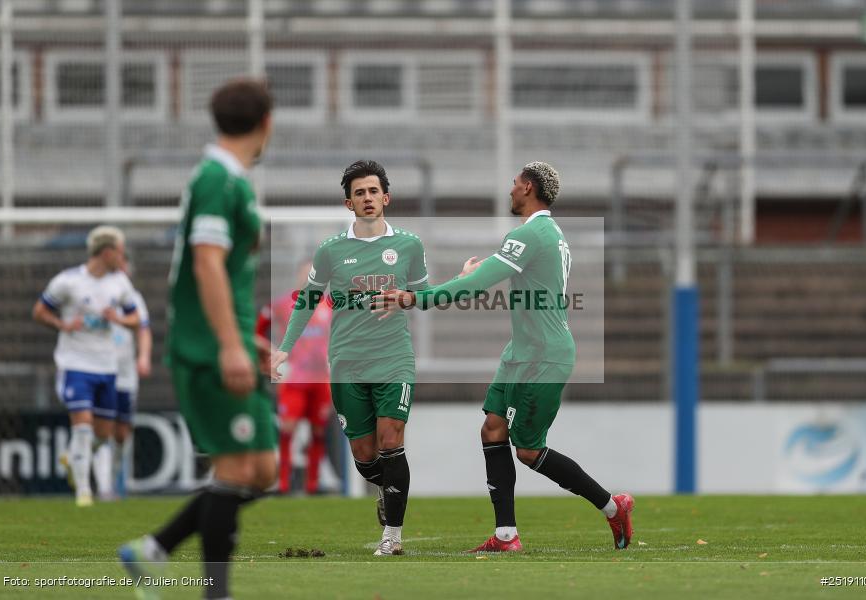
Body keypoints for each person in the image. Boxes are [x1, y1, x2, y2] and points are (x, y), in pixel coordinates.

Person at [374, 162, 635, 552]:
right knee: (493, 428)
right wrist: (465, 280)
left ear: (528, 188)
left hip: (543, 356)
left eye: (514, 184)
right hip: (521, 352)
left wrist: (414, 298)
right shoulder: (550, 234)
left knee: (529, 449)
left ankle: (613, 507)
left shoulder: (533, 234)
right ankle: (506, 536)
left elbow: (479, 284)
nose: (510, 190)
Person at [119, 78, 276, 600]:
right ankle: (215, 593)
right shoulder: (216, 179)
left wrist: (244, 339)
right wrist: (229, 344)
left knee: (262, 470)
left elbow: (222, 274)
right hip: (205, 349)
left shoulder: (232, 179)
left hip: (222, 341)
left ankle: (154, 550)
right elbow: (206, 263)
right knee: (236, 468)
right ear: (265, 123)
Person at [270, 160, 431, 556]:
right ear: (349, 203)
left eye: (373, 191)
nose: (368, 198)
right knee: (364, 453)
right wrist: (284, 348)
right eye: (360, 193)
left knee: (392, 438)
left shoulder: (409, 245)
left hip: (394, 359)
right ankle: (384, 490)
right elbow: (307, 301)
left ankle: (392, 536)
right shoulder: (331, 250)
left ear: (386, 198)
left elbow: (426, 296)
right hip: (346, 363)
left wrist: (408, 297)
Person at [32, 225, 141, 507]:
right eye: (119, 251)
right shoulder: (68, 282)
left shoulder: (120, 284)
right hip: (75, 364)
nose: (122, 256)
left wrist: (117, 319)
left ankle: (72, 457)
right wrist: (62, 324)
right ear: (106, 252)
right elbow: (40, 311)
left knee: (101, 435)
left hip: (107, 366)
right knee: (82, 427)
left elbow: (136, 320)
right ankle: (83, 491)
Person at [257, 261, 332, 495]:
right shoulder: (283, 305)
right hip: (294, 379)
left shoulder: (331, 306)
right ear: (299, 276)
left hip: (322, 379)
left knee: (318, 431)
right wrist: (267, 355)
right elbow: (259, 328)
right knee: (287, 428)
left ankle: (312, 484)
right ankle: (283, 484)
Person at [108, 254, 152, 499]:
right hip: (100, 367)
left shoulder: (134, 299)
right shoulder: (94, 291)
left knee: (121, 430)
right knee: (100, 424)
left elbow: (143, 329)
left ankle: (115, 475)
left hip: (125, 371)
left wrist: (143, 357)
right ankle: (99, 485)